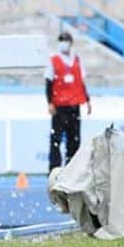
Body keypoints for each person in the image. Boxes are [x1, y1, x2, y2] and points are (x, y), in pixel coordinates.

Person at [46, 29, 92, 171]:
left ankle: (71, 170)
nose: (63, 44)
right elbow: (48, 82)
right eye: (61, 41)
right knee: (56, 139)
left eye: (66, 40)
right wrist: (50, 102)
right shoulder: (53, 60)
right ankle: (54, 170)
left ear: (71, 43)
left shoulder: (77, 60)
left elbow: (81, 81)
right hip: (59, 105)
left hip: (74, 104)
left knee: (74, 140)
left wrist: (88, 101)